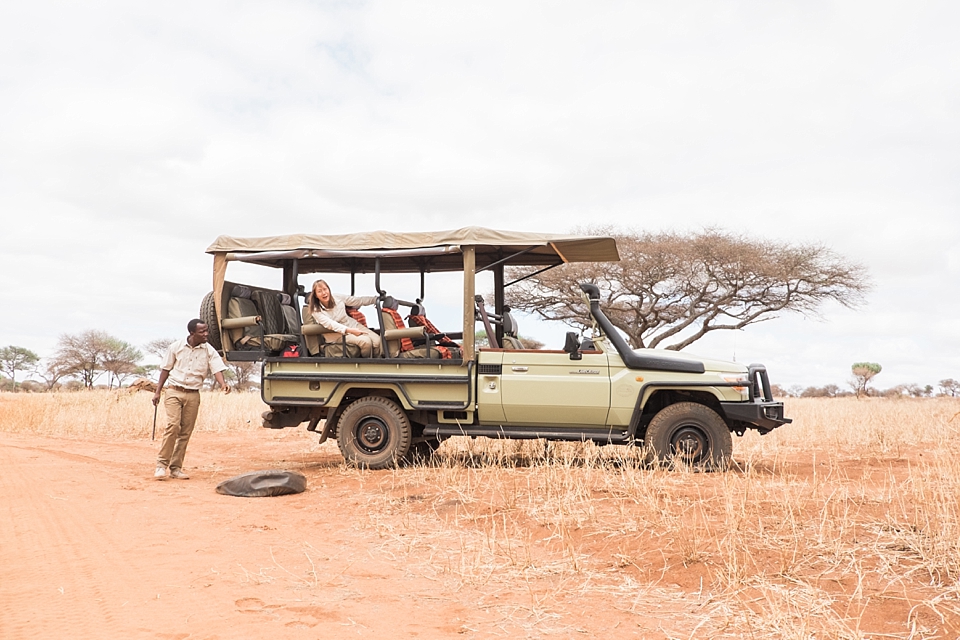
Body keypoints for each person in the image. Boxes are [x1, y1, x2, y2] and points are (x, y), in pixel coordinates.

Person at [152, 319, 230, 480]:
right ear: (192, 333)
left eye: (206, 330)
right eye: (202, 331)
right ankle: (161, 465)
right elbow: (165, 369)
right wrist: (157, 392)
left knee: (185, 432)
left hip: (193, 394)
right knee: (173, 426)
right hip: (174, 391)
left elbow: (217, 368)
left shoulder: (208, 350)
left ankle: (176, 468)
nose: (206, 334)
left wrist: (223, 384)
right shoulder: (176, 347)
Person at [307, 279, 382, 358]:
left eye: (325, 289)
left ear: (329, 289)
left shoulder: (337, 297)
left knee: (377, 341)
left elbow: (357, 301)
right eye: (319, 291)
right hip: (337, 335)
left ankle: (378, 363)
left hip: (352, 325)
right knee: (366, 342)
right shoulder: (316, 310)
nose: (324, 293)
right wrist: (350, 330)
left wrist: (376, 299)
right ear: (316, 295)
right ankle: (367, 365)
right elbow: (331, 324)